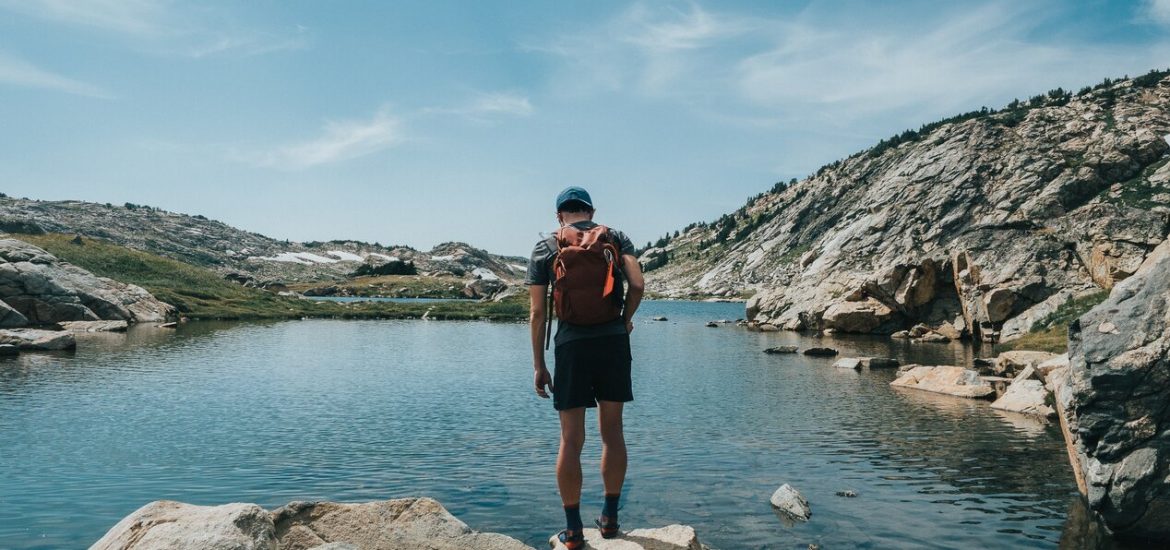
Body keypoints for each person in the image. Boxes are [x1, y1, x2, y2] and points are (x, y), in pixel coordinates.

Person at [526, 186, 644, 548]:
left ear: (559, 215)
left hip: (571, 346)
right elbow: (637, 284)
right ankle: (610, 519)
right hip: (612, 343)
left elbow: (537, 313)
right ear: (591, 210)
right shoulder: (615, 237)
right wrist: (624, 320)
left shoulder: (546, 246)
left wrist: (539, 365)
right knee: (612, 431)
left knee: (571, 439)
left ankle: (574, 530)